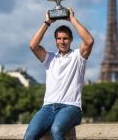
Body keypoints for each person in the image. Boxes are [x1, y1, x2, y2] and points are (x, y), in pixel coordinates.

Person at [24, 8, 94, 140]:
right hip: (48, 107)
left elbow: (89, 41)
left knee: (56, 130)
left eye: (65, 39)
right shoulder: (49, 58)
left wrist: (72, 20)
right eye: (59, 38)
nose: (62, 42)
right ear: (56, 40)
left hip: (71, 107)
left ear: (71, 40)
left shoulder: (78, 56)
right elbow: (33, 46)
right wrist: (47, 23)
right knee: (29, 136)